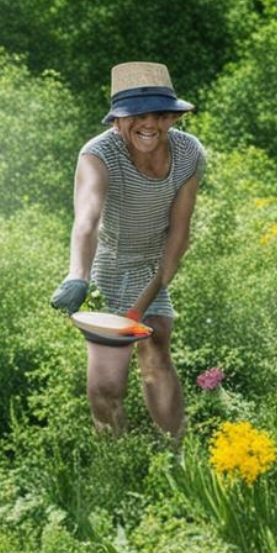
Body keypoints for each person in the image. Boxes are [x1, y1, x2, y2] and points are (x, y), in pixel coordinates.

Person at [50, 62, 206, 444]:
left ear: (171, 117)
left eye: (158, 114)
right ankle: (117, 461)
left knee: (156, 346)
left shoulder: (188, 152)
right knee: (108, 383)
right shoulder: (98, 154)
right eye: (136, 115)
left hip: (153, 263)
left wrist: (156, 287)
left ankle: (176, 453)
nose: (148, 123)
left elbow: (179, 231)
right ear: (117, 121)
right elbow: (86, 221)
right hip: (109, 267)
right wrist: (77, 276)